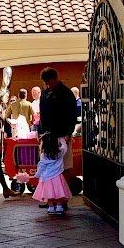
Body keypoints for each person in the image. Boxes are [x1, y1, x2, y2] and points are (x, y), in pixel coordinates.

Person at [38, 67, 79, 209]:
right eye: (46, 83)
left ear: (56, 78)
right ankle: (48, 197)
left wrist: (68, 133)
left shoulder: (67, 94)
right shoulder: (44, 93)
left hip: (63, 134)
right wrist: (41, 133)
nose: (48, 85)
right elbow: (42, 115)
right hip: (47, 135)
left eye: (49, 82)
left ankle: (63, 199)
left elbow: (72, 116)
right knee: (48, 166)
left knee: (64, 167)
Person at [33, 131, 71, 215]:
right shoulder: (60, 152)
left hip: (47, 178)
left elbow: (41, 166)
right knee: (58, 193)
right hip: (57, 177)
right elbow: (65, 147)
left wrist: (37, 175)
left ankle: (51, 208)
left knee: (49, 194)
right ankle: (59, 207)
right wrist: (62, 140)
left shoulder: (44, 155)